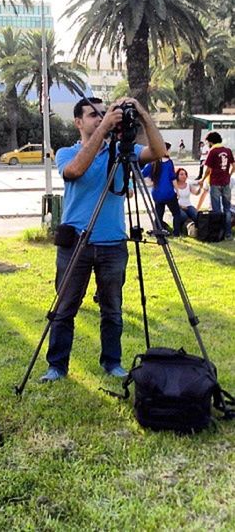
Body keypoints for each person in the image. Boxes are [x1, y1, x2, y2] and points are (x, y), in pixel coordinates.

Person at [40, 96, 165, 382]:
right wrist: (104, 127)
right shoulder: (65, 152)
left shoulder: (122, 151)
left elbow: (158, 152)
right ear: (78, 122)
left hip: (113, 244)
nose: (100, 118)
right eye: (93, 115)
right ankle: (56, 366)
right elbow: (74, 171)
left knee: (113, 309)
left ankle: (112, 362)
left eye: (103, 114)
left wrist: (142, 114)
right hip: (75, 244)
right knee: (64, 308)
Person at [200, 131, 234, 240]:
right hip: (226, 182)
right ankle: (228, 234)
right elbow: (234, 165)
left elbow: (208, 169)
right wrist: (229, 174)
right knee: (227, 209)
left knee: (217, 209)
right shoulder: (228, 150)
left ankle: (218, 233)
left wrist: (202, 179)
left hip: (215, 182)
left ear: (210, 141)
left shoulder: (212, 151)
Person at [142, 142, 182, 236]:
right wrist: (178, 191)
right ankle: (176, 233)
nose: (170, 152)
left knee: (159, 214)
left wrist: (150, 182)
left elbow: (142, 174)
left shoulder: (153, 163)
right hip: (168, 193)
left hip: (157, 193)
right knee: (176, 213)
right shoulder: (169, 162)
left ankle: (157, 232)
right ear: (165, 150)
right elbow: (173, 178)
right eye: (169, 150)